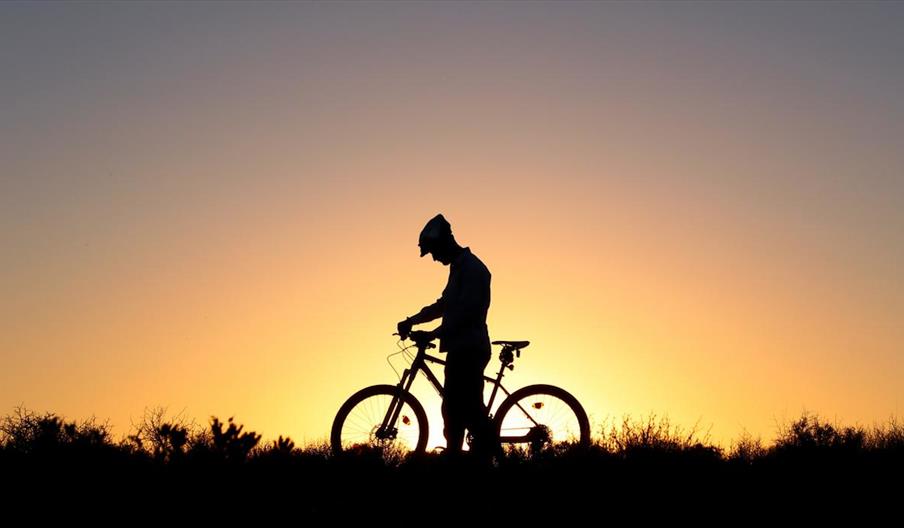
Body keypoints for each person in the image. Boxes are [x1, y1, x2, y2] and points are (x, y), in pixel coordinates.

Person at [397, 213, 495, 463]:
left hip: (470, 348)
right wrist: (413, 320)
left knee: (466, 409)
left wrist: (433, 333)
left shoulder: (472, 269)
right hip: (460, 347)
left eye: (433, 251)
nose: (433, 257)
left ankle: (495, 458)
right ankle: (458, 459)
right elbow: (445, 306)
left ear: (444, 243)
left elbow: (463, 314)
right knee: (453, 409)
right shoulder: (459, 268)